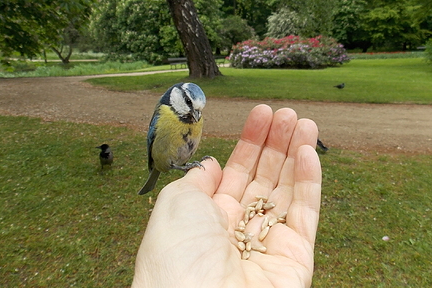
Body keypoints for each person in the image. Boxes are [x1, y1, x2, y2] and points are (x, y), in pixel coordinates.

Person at [132, 104, 322, 288]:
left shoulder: (196, 117)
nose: (197, 113)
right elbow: (152, 141)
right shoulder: (163, 113)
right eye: (190, 103)